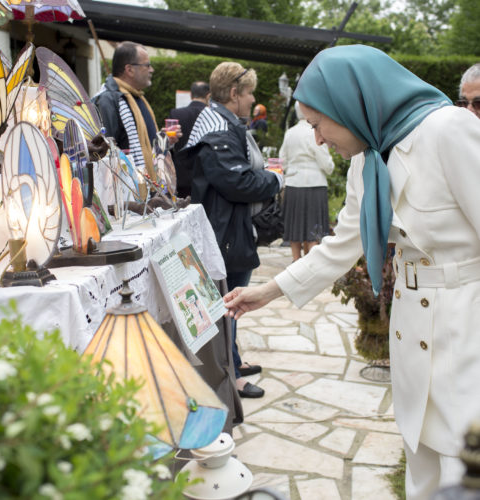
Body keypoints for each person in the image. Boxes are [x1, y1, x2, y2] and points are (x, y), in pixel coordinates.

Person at [224, 45, 480, 499]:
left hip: (468, 323)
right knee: (420, 457)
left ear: (350, 105)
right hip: (413, 327)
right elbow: (342, 246)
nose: (317, 140)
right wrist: (268, 292)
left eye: (317, 124)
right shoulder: (367, 160)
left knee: (466, 463)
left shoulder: (448, 130)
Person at [186, 62, 283, 399]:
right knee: (228, 305)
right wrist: (275, 179)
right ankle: (231, 377)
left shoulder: (222, 125)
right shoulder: (219, 132)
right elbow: (237, 182)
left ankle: (235, 362)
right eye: (249, 93)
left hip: (228, 230)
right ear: (233, 93)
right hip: (224, 233)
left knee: (231, 305)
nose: (252, 99)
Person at [93, 41, 180, 182]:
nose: (151, 70)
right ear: (129, 69)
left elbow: (146, 145)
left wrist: (165, 140)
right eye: (147, 65)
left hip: (147, 187)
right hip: (128, 191)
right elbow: (105, 150)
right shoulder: (108, 100)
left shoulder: (136, 98)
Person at [279, 100, 334, 261]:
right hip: (315, 184)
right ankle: (311, 263)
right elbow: (326, 162)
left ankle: (296, 261)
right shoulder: (315, 131)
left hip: (294, 183)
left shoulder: (290, 132)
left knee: (295, 226)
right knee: (313, 230)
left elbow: (283, 160)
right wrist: (329, 168)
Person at [168, 81, 210, 198]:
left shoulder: (176, 113)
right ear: (208, 96)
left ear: (191, 95)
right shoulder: (213, 115)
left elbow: (170, 142)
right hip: (206, 174)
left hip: (181, 175)